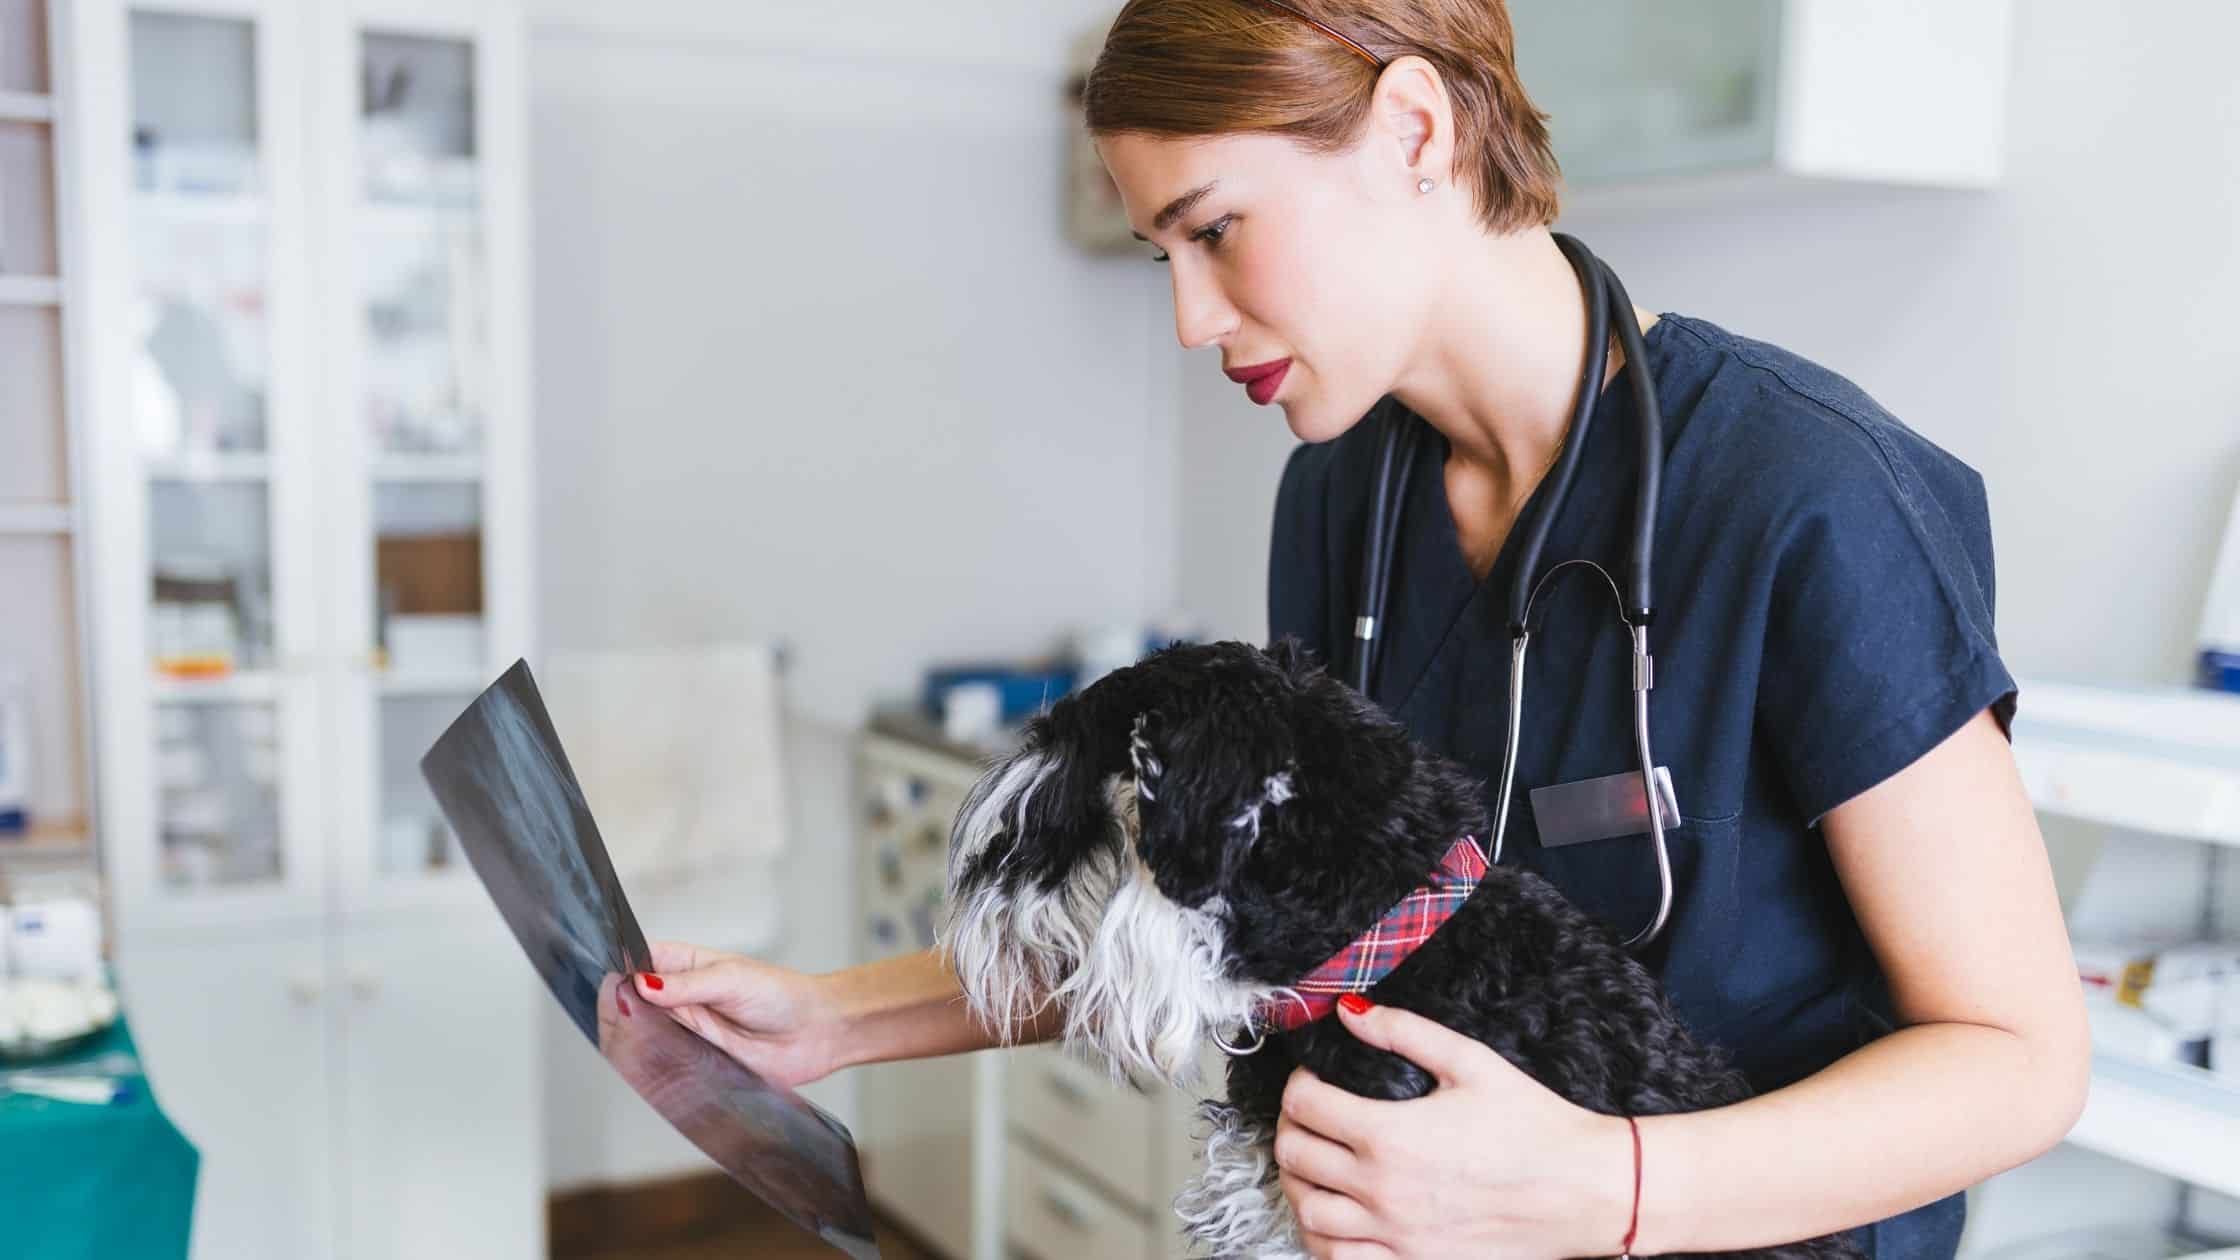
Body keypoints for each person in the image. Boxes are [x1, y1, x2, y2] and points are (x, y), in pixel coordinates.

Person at [633, 2, 2090, 1256]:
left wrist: (1607, 1186)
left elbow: (2022, 1063)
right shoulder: (1348, 503)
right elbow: (1249, 926)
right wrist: (832, 1021)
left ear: (1412, 132)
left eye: (1216, 231)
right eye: (1164, 257)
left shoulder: (1805, 495)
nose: (1193, 320)